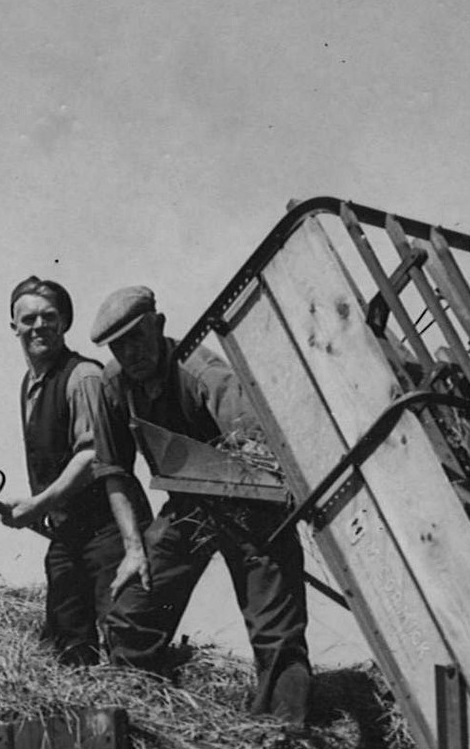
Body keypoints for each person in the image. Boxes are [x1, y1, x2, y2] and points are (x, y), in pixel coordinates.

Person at [91, 285, 313, 725]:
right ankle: (141, 722)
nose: (130, 352)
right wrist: (135, 548)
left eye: (137, 336)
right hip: (191, 504)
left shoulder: (204, 373)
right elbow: (114, 470)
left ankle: (287, 737)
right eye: (119, 345)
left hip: (253, 504)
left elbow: (260, 457)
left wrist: (256, 526)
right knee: (132, 609)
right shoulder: (114, 385)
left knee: (277, 634)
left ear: (159, 326)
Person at [0, 276, 150, 666]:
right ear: (13, 326)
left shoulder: (83, 376)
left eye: (49, 317)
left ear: (64, 322)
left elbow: (92, 456)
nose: (39, 326)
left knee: (126, 639)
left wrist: (40, 502)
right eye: (28, 319)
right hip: (68, 535)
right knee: (69, 643)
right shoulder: (29, 385)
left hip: (109, 531)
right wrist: (36, 508)